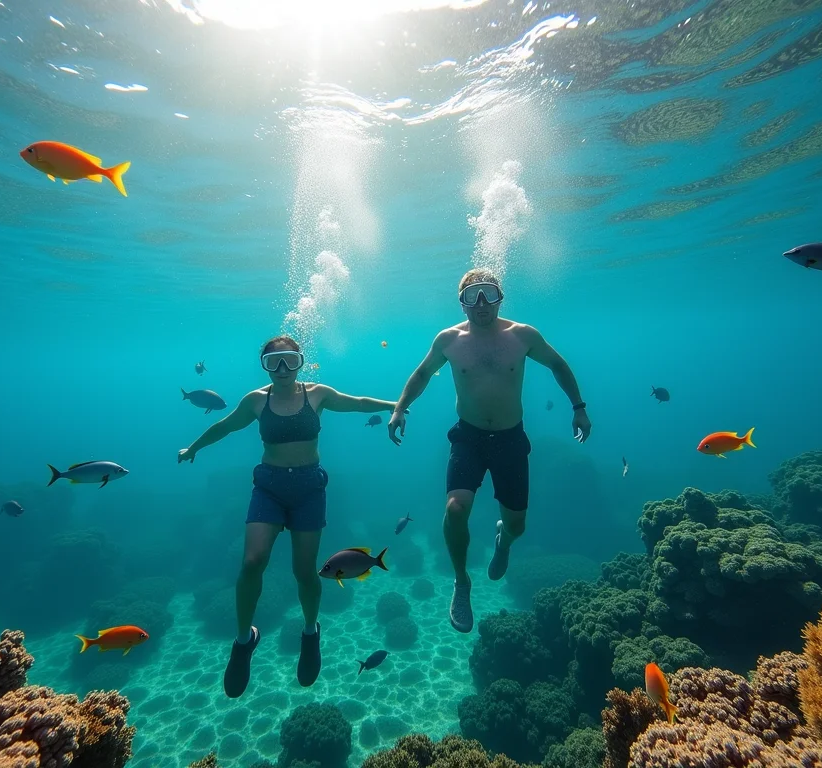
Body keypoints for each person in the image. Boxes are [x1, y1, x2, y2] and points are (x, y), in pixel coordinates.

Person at [177, 335, 399, 698]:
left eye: (290, 361)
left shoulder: (318, 394)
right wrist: (193, 449)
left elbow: (357, 403)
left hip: (309, 489)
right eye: (274, 362)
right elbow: (225, 426)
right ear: (264, 365)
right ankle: (243, 640)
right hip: (269, 487)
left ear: (300, 362)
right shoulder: (255, 400)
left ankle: (310, 633)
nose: (282, 369)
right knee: (252, 562)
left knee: (304, 572)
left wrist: (395, 404)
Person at [387, 268, 591, 633]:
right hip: (468, 438)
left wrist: (578, 407)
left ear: (500, 297)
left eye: (488, 294)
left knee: (517, 525)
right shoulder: (448, 340)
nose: (481, 304)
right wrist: (401, 408)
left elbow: (558, 364)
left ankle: (504, 542)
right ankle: (461, 581)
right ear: (461, 302)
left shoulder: (523, 335)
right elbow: (421, 374)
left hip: (510, 440)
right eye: (471, 296)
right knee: (455, 508)